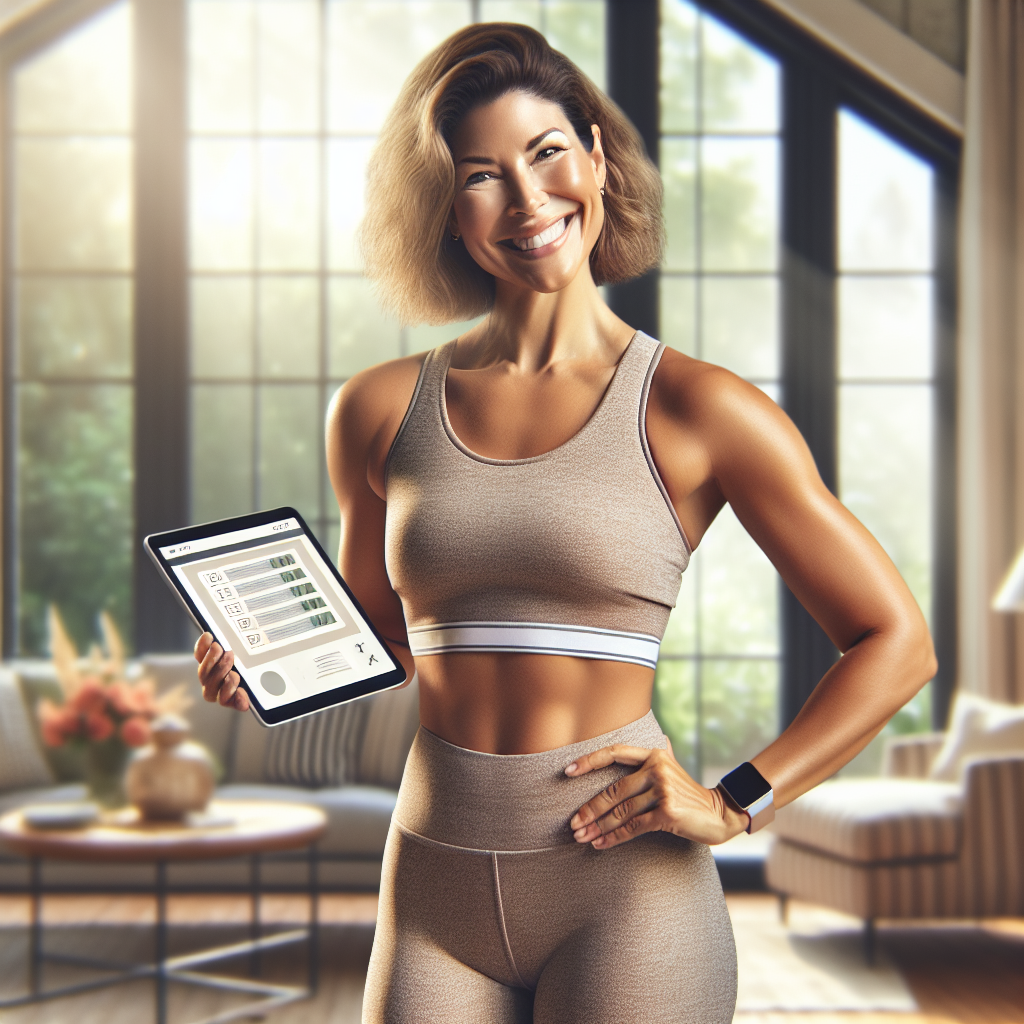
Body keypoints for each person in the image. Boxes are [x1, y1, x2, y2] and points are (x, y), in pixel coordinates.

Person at [195, 23, 936, 1024]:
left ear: (595, 155)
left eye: (548, 153)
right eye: (481, 175)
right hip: (431, 883)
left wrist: (735, 800)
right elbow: (382, 645)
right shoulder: (375, 409)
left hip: (623, 890)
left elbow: (895, 642)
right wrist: (265, 665)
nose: (529, 199)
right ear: (447, 212)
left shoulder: (700, 409)